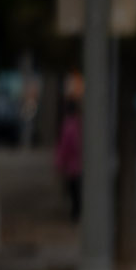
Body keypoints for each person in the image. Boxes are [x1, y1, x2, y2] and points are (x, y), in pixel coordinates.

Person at [56, 80, 84, 220]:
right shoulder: (80, 124)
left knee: (75, 193)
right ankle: (77, 213)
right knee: (78, 192)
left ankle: (76, 215)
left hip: (73, 166)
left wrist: (60, 162)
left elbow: (65, 146)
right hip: (80, 165)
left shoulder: (68, 125)